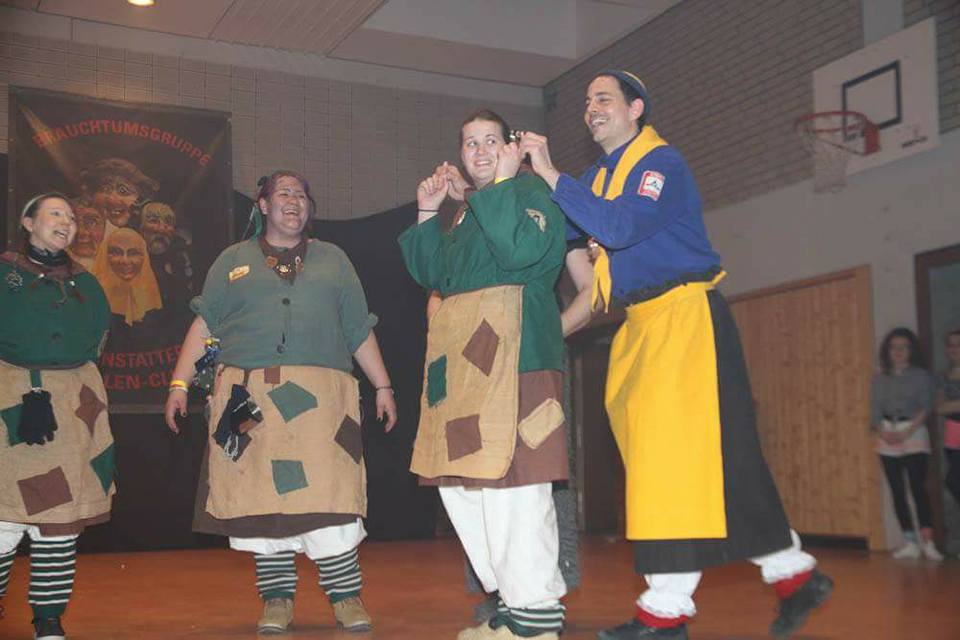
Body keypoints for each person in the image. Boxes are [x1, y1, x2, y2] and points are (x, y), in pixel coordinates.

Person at [516, 70, 833, 639]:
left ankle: (666, 610)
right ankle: (792, 575)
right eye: (587, 101)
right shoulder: (598, 177)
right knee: (686, 462)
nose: (591, 108)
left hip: (688, 319)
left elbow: (618, 227)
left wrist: (552, 174)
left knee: (682, 462)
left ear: (635, 108)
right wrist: (505, 185)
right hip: (642, 325)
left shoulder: (660, 165)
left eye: (603, 98)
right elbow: (560, 236)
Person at [163, 170, 397, 635]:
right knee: (260, 506)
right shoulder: (232, 260)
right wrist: (179, 384)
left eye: (302, 195)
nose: (294, 200)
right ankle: (276, 601)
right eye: (284, 193)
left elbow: (358, 328)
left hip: (322, 402)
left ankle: (345, 595)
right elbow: (205, 326)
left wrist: (383, 386)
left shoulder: (334, 259)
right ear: (263, 205)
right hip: (249, 397)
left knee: (331, 499)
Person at [399, 109, 570, 640]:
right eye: (470, 143)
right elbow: (433, 274)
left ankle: (536, 613)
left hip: (518, 361)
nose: (479, 151)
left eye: (491, 141)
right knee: (464, 488)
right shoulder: (466, 212)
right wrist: (429, 211)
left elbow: (519, 252)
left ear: (511, 149)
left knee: (515, 488)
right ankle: (513, 606)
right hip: (462, 372)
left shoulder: (534, 194)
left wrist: (501, 184)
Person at [0, 193, 114, 640]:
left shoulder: (87, 283)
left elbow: (99, 340)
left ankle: (48, 619)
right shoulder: (4, 273)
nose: (66, 222)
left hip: (72, 407)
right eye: (54, 214)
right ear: (28, 223)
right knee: (4, 518)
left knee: (61, 521)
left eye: (70, 217)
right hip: (8, 399)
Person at [871, 327, 942, 561]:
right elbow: (874, 411)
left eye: (903, 347)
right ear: (887, 351)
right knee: (897, 490)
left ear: (911, 350)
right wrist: (883, 432)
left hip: (913, 430)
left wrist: (907, 432)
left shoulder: (922, 376)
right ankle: (910, 541)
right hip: (886, 431)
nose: (898, 352)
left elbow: (926, 406)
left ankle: (928, 542)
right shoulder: (879, 378)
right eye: (894, 347)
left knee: (918, 488)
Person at [91, 228, 163, 326]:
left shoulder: (152, 303)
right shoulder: (92, 298)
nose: (125, 261)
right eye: (116, 252)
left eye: (133, 253)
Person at [938, 328, 960, 510]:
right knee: (954, 481)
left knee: (953, 480)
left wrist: (951, 405)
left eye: (959, 345)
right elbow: (939, 408)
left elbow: (947, 406)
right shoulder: (943, 376)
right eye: (951, 345)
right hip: (953, 434)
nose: (954, 349)